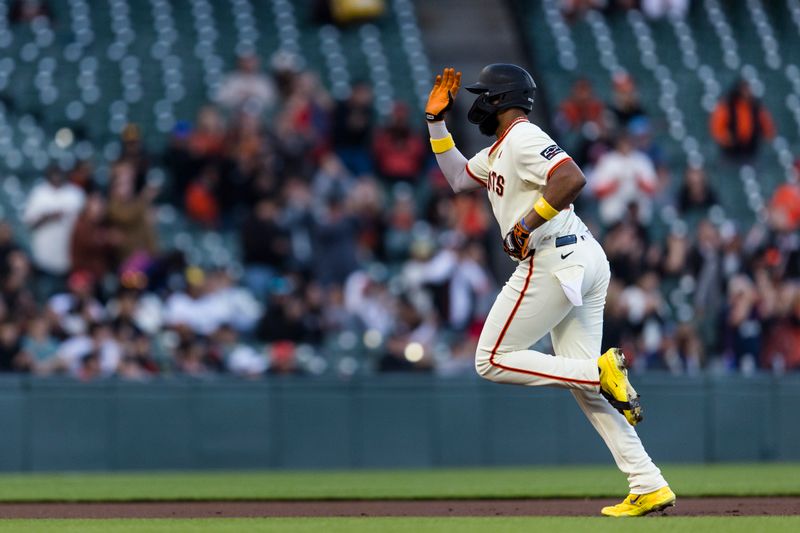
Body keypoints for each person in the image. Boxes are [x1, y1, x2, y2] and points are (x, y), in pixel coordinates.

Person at [424, 65, 674, 516]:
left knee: (491, 359)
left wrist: (527, 221)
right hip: (578, 257)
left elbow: (571, 176)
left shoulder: (521, 136)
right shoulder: (501, 148)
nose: (478, 102)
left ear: (502, 99)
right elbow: (460, 178)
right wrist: (437, 124)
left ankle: (600, 372)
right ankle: (649, 483)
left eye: (484, 94)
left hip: (555, 257)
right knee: (585, 385)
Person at [23, 165, 86, 278]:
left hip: (71, 257)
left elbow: (86, 222)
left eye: (59, 174)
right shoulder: (39, 193)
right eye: (54, 174)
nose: (57, 177)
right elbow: (30, 223)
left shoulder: (76, 193)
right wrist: (49, 216)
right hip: (43, 259)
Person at [710, 80, 775, 164]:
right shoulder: (727, 106)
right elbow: (717, 128)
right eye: (745, 89)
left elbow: (767, 126)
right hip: (731, 151)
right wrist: (726, 138)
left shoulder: (756, 107)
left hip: (751, 149)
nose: (747, 92)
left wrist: (765, 135)